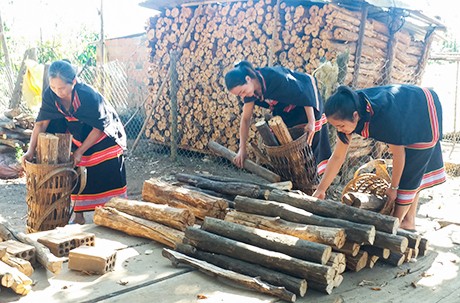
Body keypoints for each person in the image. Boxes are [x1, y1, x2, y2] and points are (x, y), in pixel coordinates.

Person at [313, 85, 446, 231]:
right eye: (336, 127)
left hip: (422, 108)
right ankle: (408, 221)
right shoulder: (347, 109)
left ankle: (395, 224)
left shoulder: (384, 117)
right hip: (402, 110)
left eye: (341, 126)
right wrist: (321, 189)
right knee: (410, 172)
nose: (339, 130)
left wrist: (393, 188)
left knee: (412, 170)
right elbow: (338, 156)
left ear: (356, 116)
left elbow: (399, 154)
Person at [22, 60, 127, 224]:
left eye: (62, 88)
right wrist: (30, 150)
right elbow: (42, 123)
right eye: (54, 87)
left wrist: (80, 151)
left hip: (101, 133)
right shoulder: (51, 95)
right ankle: (79, 217)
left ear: (74, 82)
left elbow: (98, 128)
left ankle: (116, 212)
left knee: (106, 171)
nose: (58, 91)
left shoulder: (88, 96)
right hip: (78, 131)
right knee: (75, 170)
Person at [224, 61, 332, 175]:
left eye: (242, 91)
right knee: (288, 144)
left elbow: (304, 92)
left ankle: (316, 179)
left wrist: (311, 122)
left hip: (307, 103)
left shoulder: (276, 77)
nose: (242, 96)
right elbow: (245, 119)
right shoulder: (250, 93)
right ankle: (296, 179)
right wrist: (242, 149)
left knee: (311, 143)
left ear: (248, 79)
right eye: (239, 95)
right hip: (285, 109)